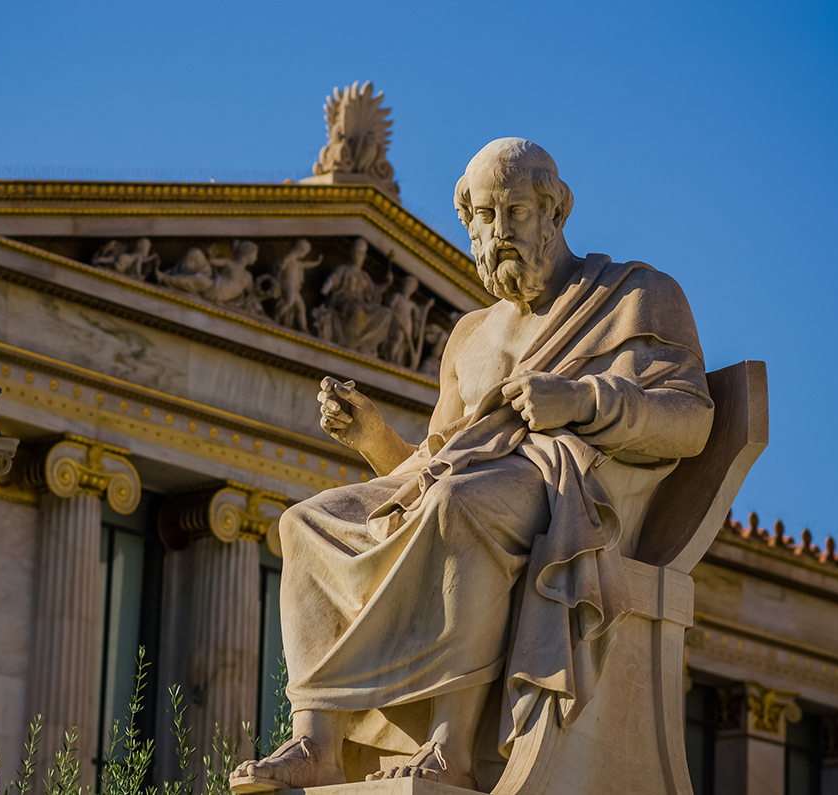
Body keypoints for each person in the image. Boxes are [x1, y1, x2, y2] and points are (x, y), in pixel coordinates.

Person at [230, 138, 714, 792]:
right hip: (459, 484)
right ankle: (317, 739)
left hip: (562, 492)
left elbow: (691, 419)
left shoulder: (633, 296)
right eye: (484, 217)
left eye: (515, 212)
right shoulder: (470, 335)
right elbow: (427, 465)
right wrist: (372, 435)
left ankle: (447, 747)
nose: (499, 231)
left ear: (556, 212)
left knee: (459, 501)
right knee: (306, 522)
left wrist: (579, 399)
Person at [312, 238, 393, 357]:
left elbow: (374, 292)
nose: (358, 256)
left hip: (362, 305)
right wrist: (328, 285)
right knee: (357, 310)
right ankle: (351, 342)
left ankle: (366, 342)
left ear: (364, 256)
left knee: (386, 313)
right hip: (345, 302)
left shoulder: (364, 276)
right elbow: (334, 278)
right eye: (356, 252)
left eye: (360, 253)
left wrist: (387, 284)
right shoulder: (344, 269)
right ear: (351, 253)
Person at [274, 239, 323, 332]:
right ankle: (276, 317)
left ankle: (304, 328)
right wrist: (292, 253)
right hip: (288, 283)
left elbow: (306, 264)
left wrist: (317, 262)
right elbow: (283, 264)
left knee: (301, 307)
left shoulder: (297, 263)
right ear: (300, 250)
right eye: (305, 253)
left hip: (294, 287)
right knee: (290, 302)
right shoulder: (290, 258)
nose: (305, 255)